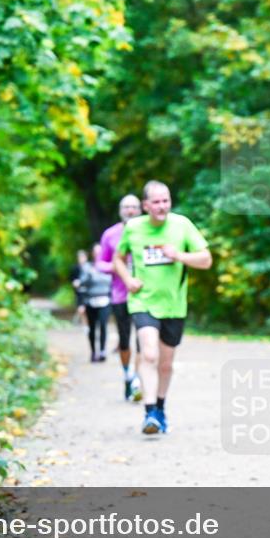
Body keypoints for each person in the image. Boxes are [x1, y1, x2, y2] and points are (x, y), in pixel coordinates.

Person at [113, 180, 212, 435]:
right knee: (149, 354)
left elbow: (206, 260)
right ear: (145, 205)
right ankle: (149, 413)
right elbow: (118, 258)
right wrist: (127, 280)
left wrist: (179, 255)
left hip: (173, 305)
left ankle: (159, 407)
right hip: (143, 301)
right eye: (156, 202)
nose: (162, 206)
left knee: (165, 364)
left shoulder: (182, 225)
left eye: (165, 200)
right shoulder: (133, 228)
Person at [98, 194, 144, 401]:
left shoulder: (148, 232)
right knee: (125, 342)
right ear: (120, 210)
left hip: (145, 295)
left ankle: (138, 380)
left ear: (141, 209)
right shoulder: (110, 234)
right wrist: (117, 268)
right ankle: (127, 375)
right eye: (126, 207)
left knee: (144, 340)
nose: (130, 210)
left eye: (134, 207)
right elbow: (100, 263)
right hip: (120, 296)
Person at [79, 243, 113, 362]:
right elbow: (82, 284)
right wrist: (81, 304)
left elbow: (111, 283)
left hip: (105, 301)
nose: (98, 254)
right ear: (92, 254)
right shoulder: (87, 267)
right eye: (96, 252)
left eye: (100, 252)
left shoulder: (108, 266)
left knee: (103, 326)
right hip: (90, 301)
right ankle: (94, 352)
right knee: (92, 328)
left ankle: (103, 351)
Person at [69, 249, 90, 329]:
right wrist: (75, 284)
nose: (81, 259)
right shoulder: (74, 268)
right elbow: (72, 280)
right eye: (80, 257)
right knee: (81, 309)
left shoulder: (90, 267)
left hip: (88, 292)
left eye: (83, 257)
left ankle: (82, 321)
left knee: (85, 309)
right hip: (79, 292)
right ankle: (85, 324)